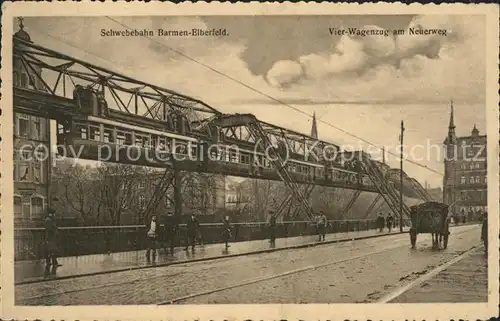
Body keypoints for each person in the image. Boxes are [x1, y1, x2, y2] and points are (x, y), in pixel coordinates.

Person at [44, 209, 61, 274]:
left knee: (53, 251)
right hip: (50, 238)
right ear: (51, 214)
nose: (55, 215)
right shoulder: (49, 220)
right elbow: (49, 230)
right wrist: (55, 232)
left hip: (52, 238)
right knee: (51, 251)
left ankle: (54, 263)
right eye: (54, 213)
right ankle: (50, 263)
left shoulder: (50, 220)